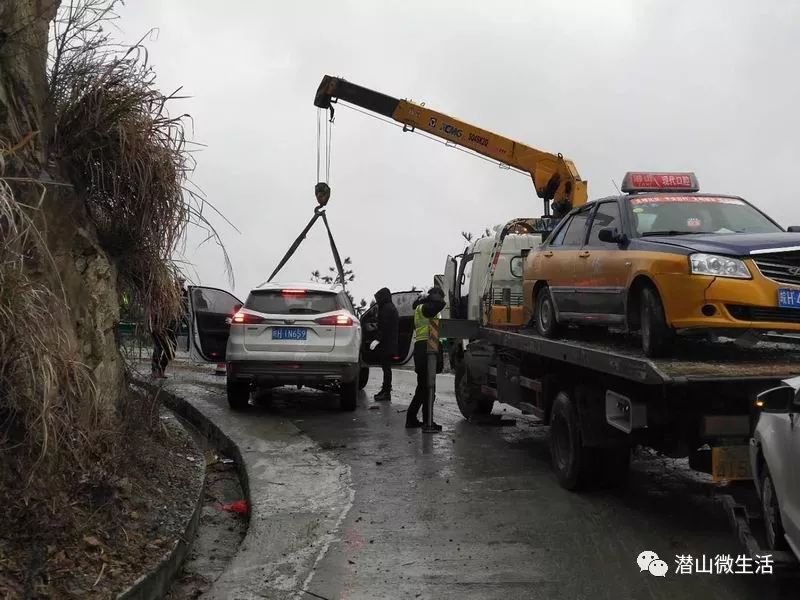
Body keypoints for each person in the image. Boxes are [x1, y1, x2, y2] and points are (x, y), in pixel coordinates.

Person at [406, 287, 446, 429]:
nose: (442, 301)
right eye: (441, 297)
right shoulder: (426, 308)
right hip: (426, 348)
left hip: (426, 347)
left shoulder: (422, 306)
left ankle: (414, 419)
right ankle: (426, 422)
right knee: (428, 388)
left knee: (424, 387)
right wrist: (437, 300)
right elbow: (436, 307)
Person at [372, 287, 399, 401]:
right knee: (386, 368)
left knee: (386, 368)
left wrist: (377, 339)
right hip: (390, 342)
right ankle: (385, 390)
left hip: (386, 344)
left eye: (378, 298)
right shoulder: (390, 307)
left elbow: (384, 326)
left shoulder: (386, 309)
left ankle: (386, 392)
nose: (377, 300)